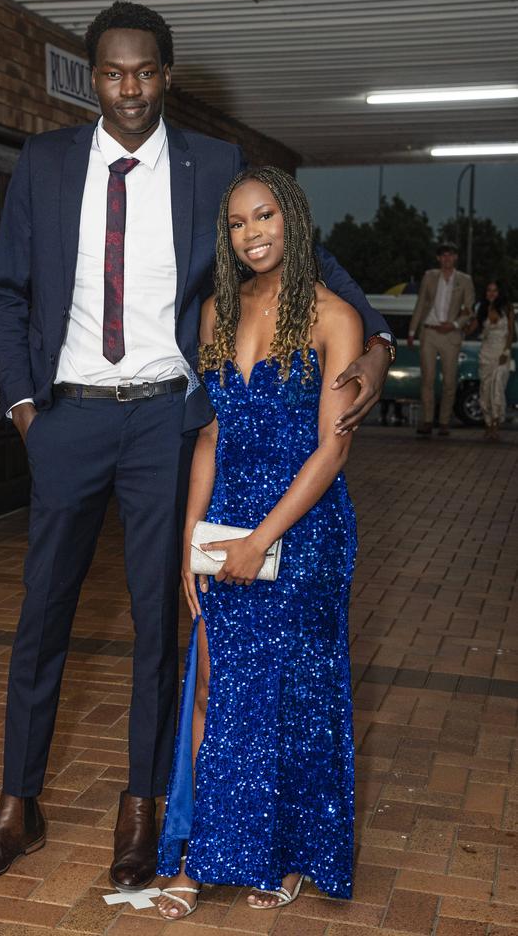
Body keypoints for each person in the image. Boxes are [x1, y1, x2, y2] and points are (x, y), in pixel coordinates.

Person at [0, 1, 394, 894]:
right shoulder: (43, 164)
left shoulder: (213, 167)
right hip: (68, 416)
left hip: (165, 421)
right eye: (113, 73)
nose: (130, 89)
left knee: (161, 621)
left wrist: (378, 346)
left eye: (146, 72)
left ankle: (143, 805)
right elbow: (5, 292)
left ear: (166, 76)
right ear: (92, 77)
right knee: (42, 618)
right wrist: (28, 411)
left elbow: (312, 262)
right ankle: (16, 803)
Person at [156, 167, 360, 920]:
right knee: (212, 686)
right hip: (226, 520)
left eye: (265, 216)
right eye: (238, 223)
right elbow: (212, 432)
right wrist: (191, 538)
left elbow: (331, 452)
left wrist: (262, 540)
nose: (253, 234)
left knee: (293, 697)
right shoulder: (215, 311)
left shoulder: (334, 317)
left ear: (293, 219)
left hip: (303, 529)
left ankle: (292, 852)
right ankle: (198, 853)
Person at [408, 241, 475, 437]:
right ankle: (427, 420)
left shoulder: (464, 280)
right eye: (443, 255)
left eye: (450, 255)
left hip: (451, 333)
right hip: (429, 331)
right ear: (439, 258)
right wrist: (412, 331)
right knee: (427, 378)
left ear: (455, 257)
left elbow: (469, 309)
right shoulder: (430, 276)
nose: (447, 258)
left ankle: (444, 421)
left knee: (449, 380)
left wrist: (455, 325)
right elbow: (421, 304)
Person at [477, 280, 515, 439]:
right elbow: (479, 332)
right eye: (488, 290)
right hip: (486, 352)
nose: (491, 293)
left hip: (502, 352)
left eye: (495, 290)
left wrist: (506, 351)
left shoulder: (507, 307)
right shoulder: (483, 309)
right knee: (485, 389)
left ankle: (496, 423)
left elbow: (511, 331)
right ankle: (487, 422)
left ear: (500, 293)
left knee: (497, 387)